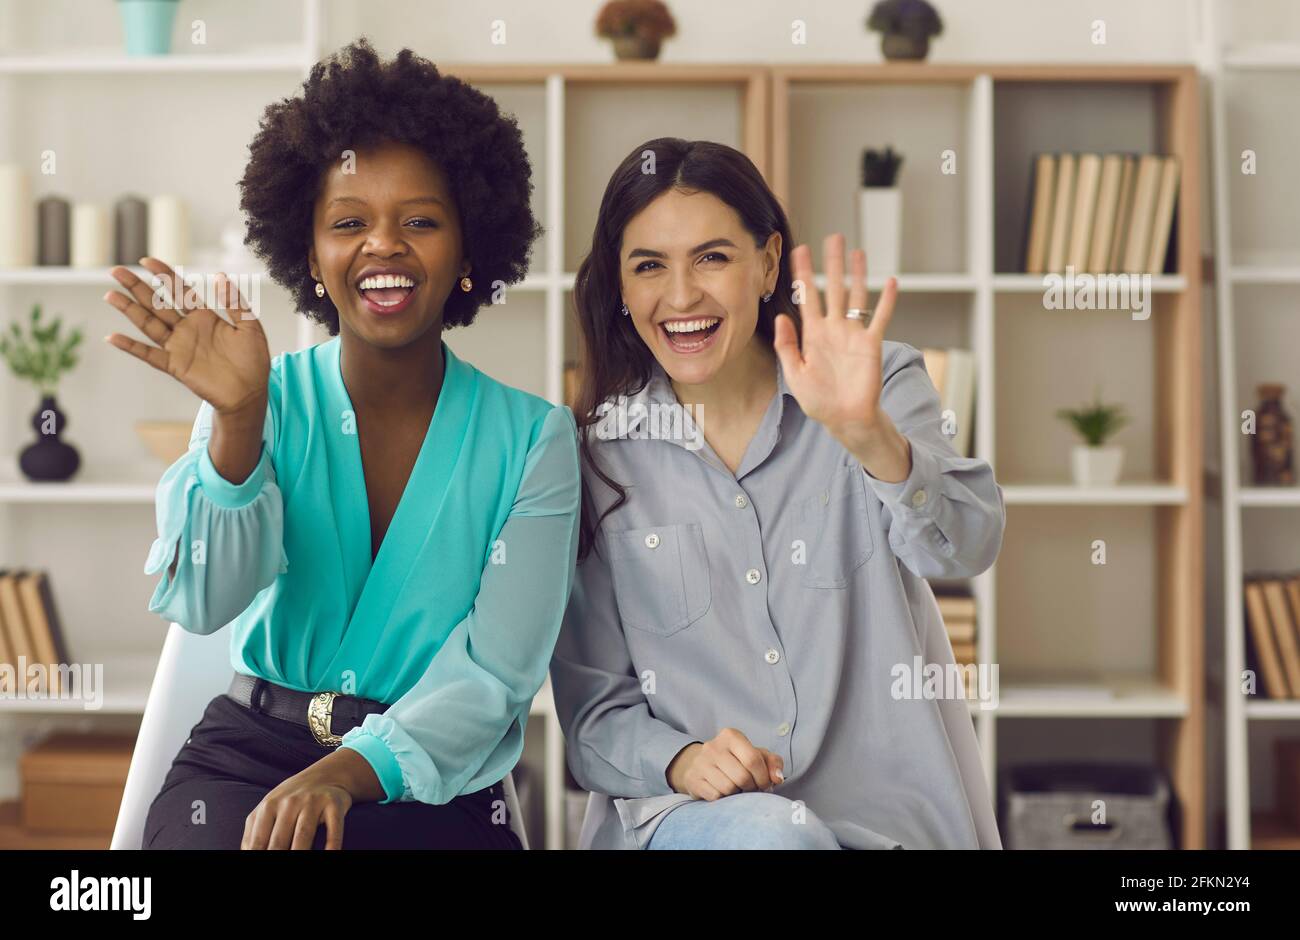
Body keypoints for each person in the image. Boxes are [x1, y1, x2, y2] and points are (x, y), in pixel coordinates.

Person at [104, 40, 579, 849]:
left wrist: (345, 771)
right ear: (312, 254)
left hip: (433, 782)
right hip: (246, 760)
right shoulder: (259, 397)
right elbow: (205, 602)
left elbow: (495, 678)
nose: (383, 245)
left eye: (420, 221)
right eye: (349, 222)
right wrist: (239, 427)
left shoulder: (534, 441)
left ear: (468, 251)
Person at [550, 137, 1005, 849]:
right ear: (620, 287)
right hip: (692, 821)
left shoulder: (875, 385)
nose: (680, 296)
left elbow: (967, 549)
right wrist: (682, 758)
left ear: (765, 264)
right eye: (649, 267)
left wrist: (869, 438)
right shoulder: (595, 456)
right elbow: (591, 719)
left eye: (712, 257)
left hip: (889, 826)